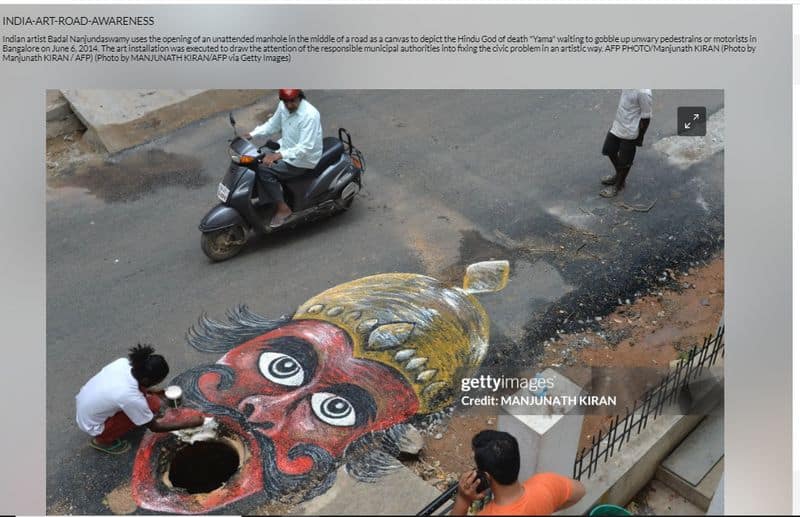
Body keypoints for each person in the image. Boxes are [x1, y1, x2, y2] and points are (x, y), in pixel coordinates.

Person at [75, 344, 204, 454]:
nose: (157, 384)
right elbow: (154, 427)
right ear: (146, 380)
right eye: (156, 381)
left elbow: (128, 385)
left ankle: (118, 424)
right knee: (151, 406)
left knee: (152, 403)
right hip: (93, 424)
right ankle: (102, 441)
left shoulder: (123, 363)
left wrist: (151, 391)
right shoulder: (129, 396)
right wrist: (190, 423)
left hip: (88, 405)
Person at [452, 430, 586, 516]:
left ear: (485, 477)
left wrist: (463, 500)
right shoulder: (545, 483)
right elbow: (580, 491)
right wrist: (550, 507)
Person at [244, 88, 323, 227]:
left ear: (300, 97)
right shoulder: (284, 107)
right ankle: (268, 199)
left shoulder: (310, 115)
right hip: (286, 147)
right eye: (286, 101)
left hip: (302, 159)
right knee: (257, 157)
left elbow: (305, 147)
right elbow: (272, 125)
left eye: (292, 101)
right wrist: (252, 134)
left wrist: (278, 155)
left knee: (264, 169)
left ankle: (283, 209)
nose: (289, 105)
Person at [599, 89, 652, 198]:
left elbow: (646, 117)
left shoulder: (643, 92)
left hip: (631, 131)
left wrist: (640, 137)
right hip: (618, 124)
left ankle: (618, 185)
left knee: (625, 162)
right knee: (609, 150)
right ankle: (619, 176)